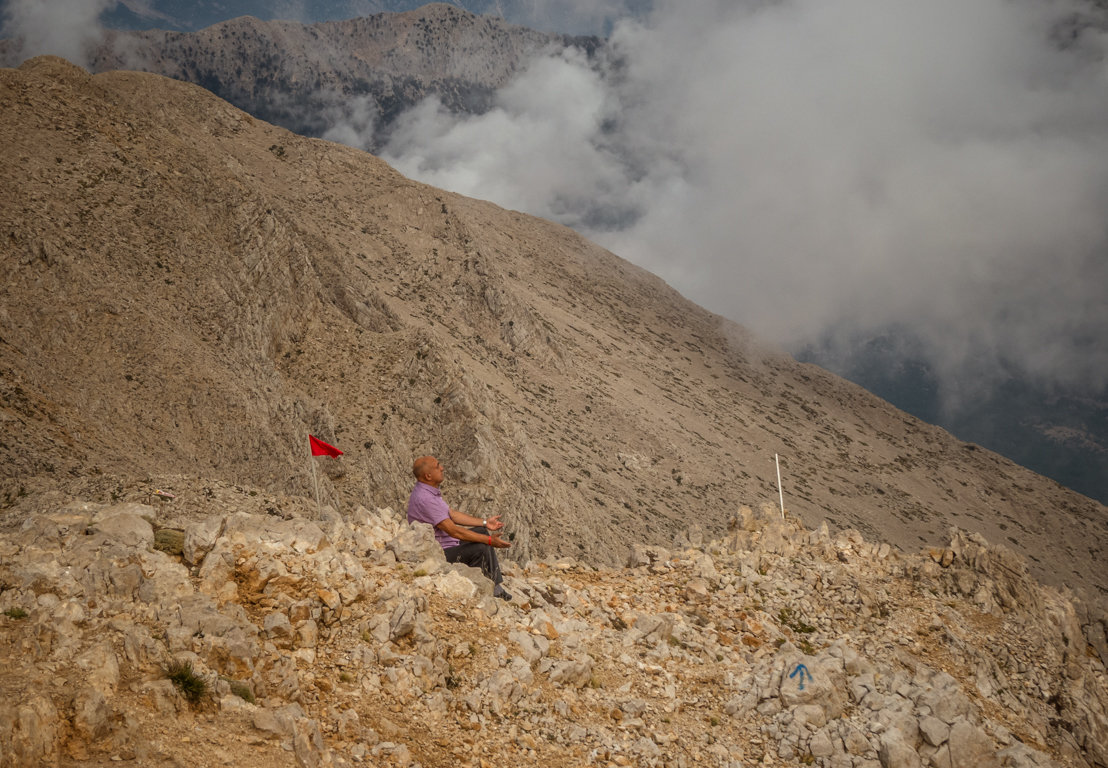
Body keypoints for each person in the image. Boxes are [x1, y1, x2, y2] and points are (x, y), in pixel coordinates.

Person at [406, 455, 513, 600]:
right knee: (481, 548)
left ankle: (493, 584)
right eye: (438, 466)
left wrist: (485, 523)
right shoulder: (425, 499)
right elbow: (454, 531)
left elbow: (453, 515)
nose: (442, 468)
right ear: (428, 475)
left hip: (448, 544)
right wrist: (489, 540)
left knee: (481, 532)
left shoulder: (429, 491)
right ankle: (487, 590)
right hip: (439, 554)